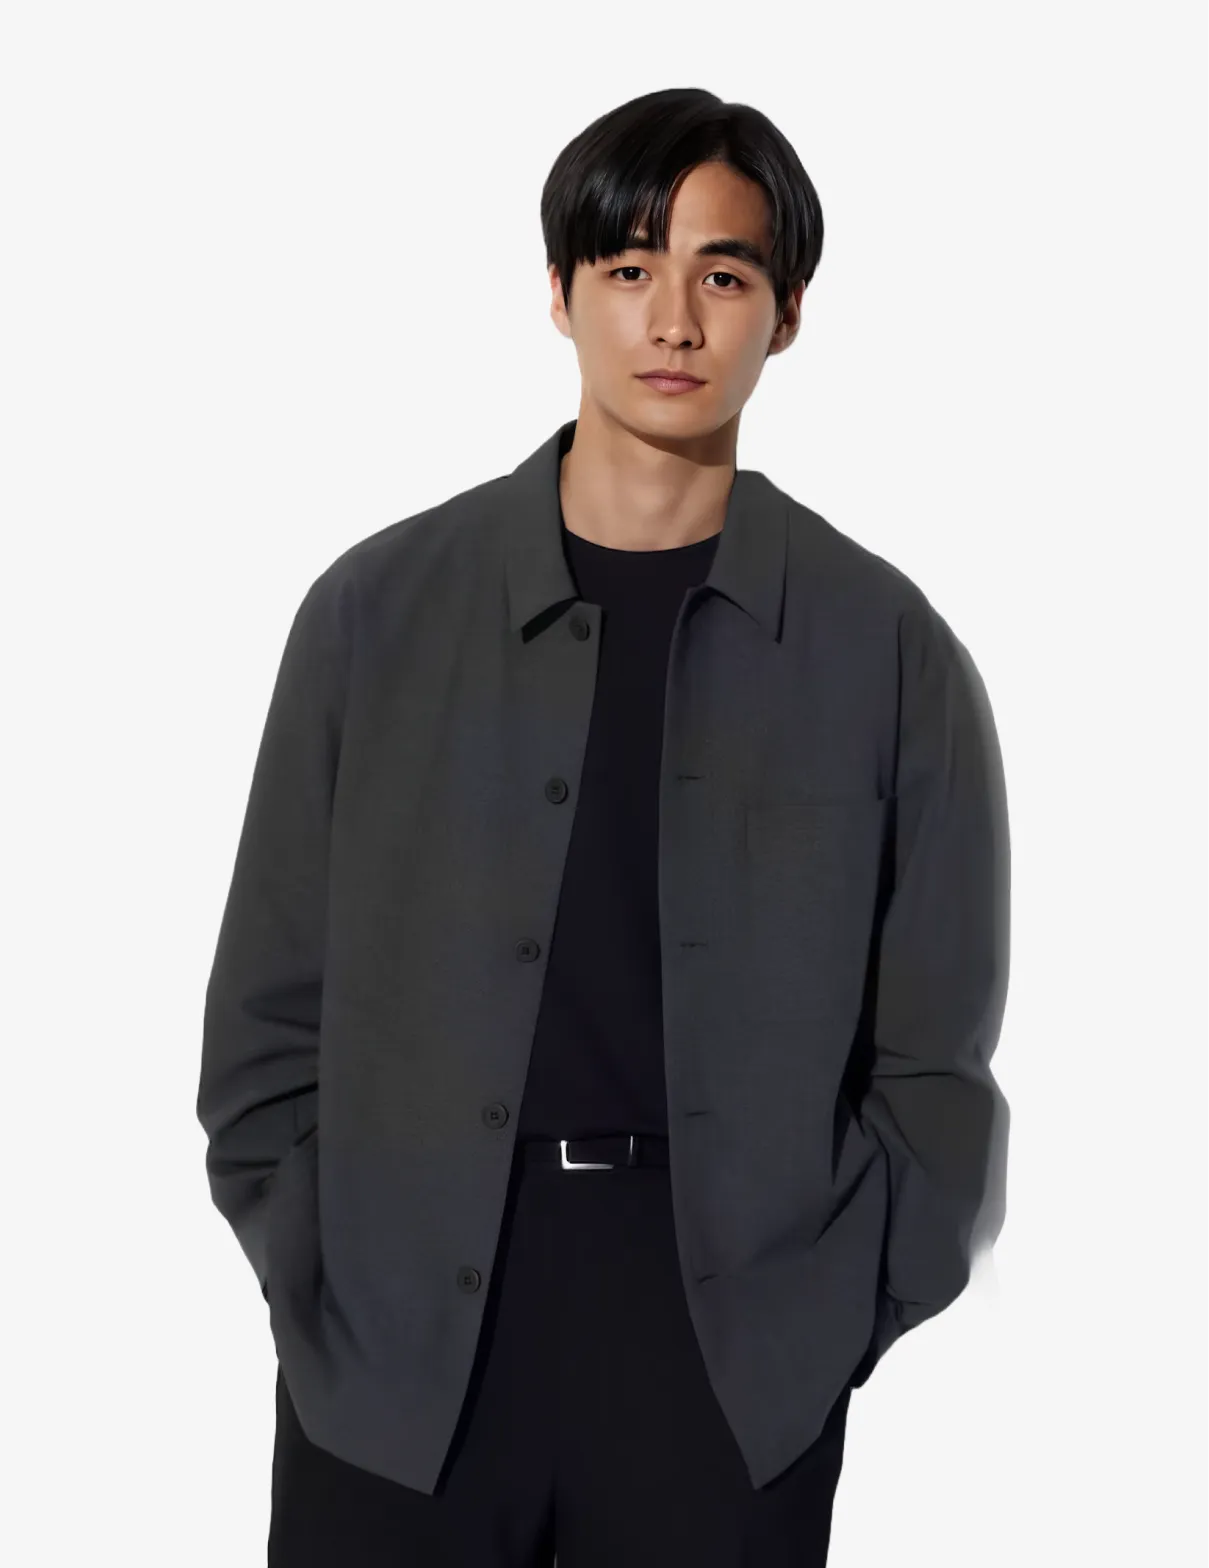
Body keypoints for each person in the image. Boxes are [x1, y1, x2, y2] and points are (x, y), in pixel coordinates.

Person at [197, 85, 1010, 1567]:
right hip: (400, 1353)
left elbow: (934, 1066)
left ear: (789, 313)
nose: (674, 321)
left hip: (725, 1363)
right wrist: (324, 1279)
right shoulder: (375, 616)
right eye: (630, 268)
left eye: (725, 275)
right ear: (561, 293)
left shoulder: (885, 649)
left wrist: (822, 1323)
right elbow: (264, 1027)